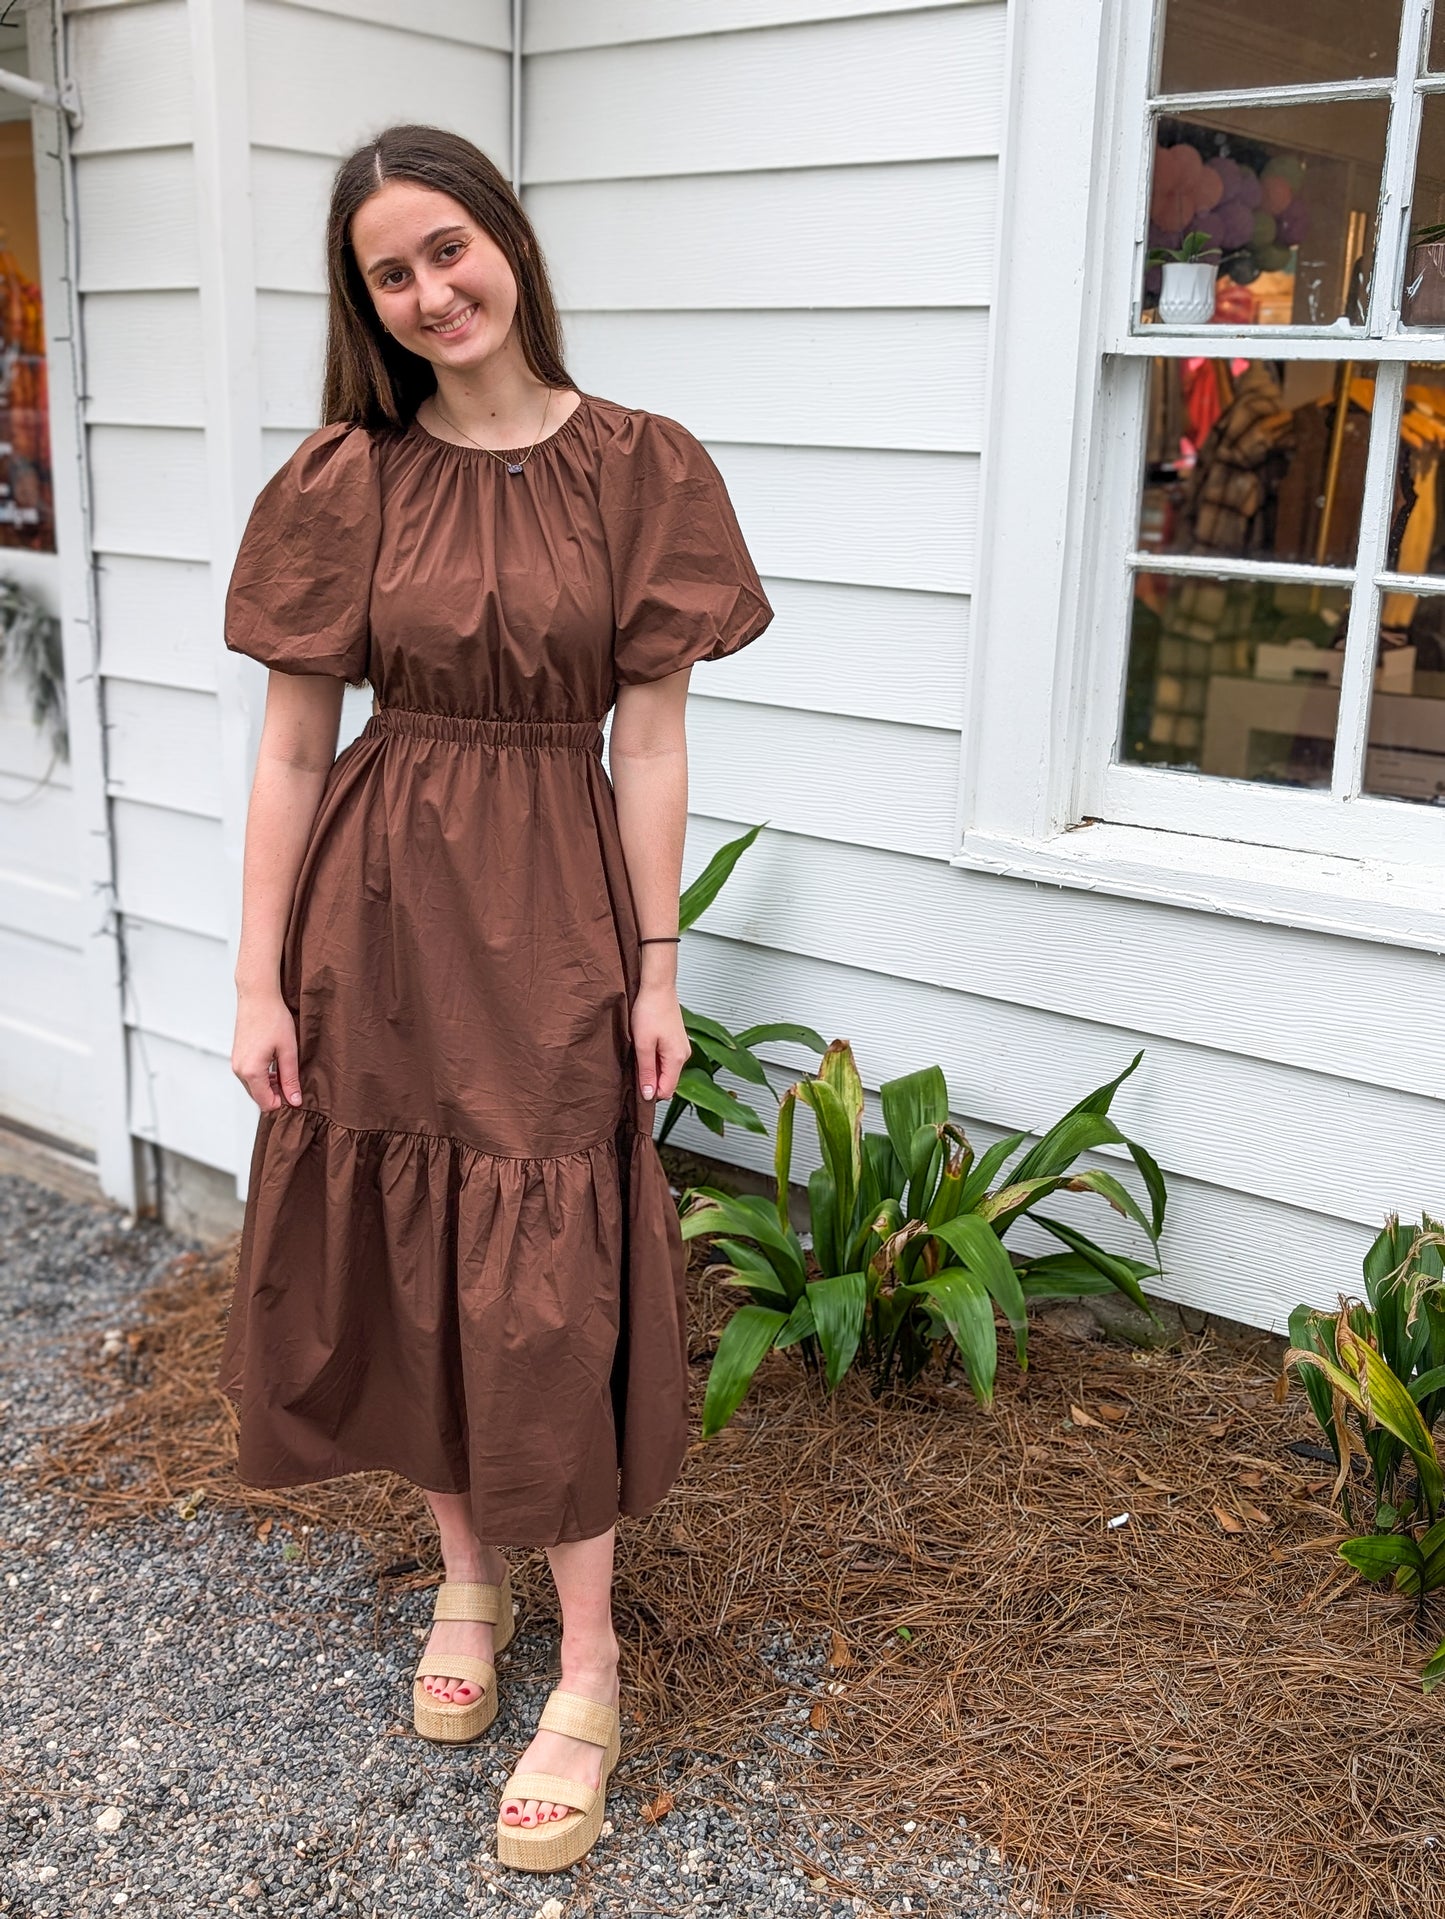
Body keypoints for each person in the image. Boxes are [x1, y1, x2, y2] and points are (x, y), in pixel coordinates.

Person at [216, 122, 773, 1873]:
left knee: (542, 1282)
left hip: (551, 911)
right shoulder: (342, 480)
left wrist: (657, 958)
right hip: (373, 913)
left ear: (508, 243)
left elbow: (657, 738)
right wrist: (255, 972)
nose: (430, 290)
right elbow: (296, 744)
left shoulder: (642, 468)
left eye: (449, 247)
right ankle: (467, 1583)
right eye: (391, 271)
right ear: (364, 301)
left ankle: (589, 1662)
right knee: (410, 1257)